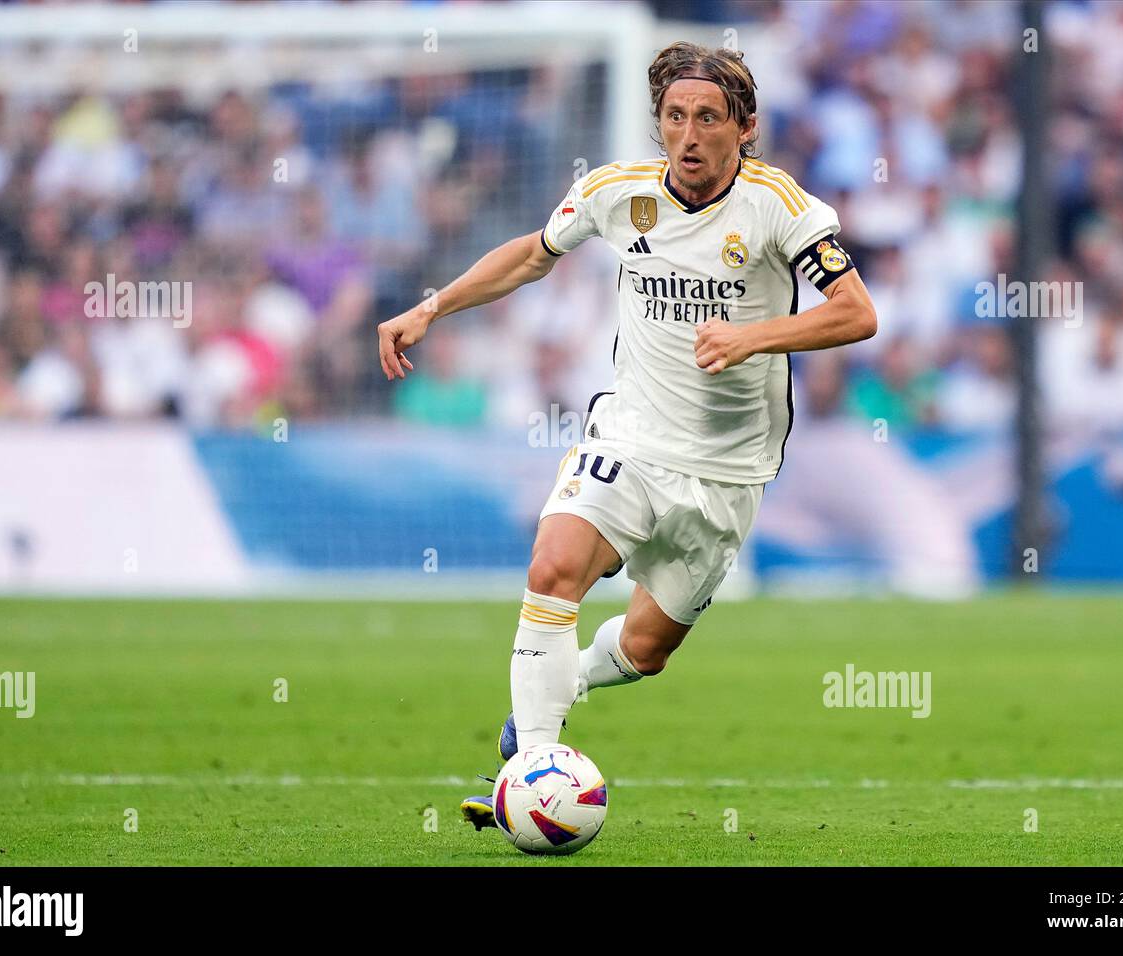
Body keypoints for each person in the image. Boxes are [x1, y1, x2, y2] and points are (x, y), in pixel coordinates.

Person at [376, 41, 877, 831]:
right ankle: (530, 764)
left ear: (743, 128)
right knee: (555, 565)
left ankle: (552, 697)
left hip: (730, 470)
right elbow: (531, 258)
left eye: (708, 118)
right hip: (631, 437)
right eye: (675, 117)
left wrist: (754, 337)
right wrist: (431, 308)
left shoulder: (783, 207)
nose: (689, 134)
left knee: (645, 650)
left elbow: (858, 312)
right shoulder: (615, 193)